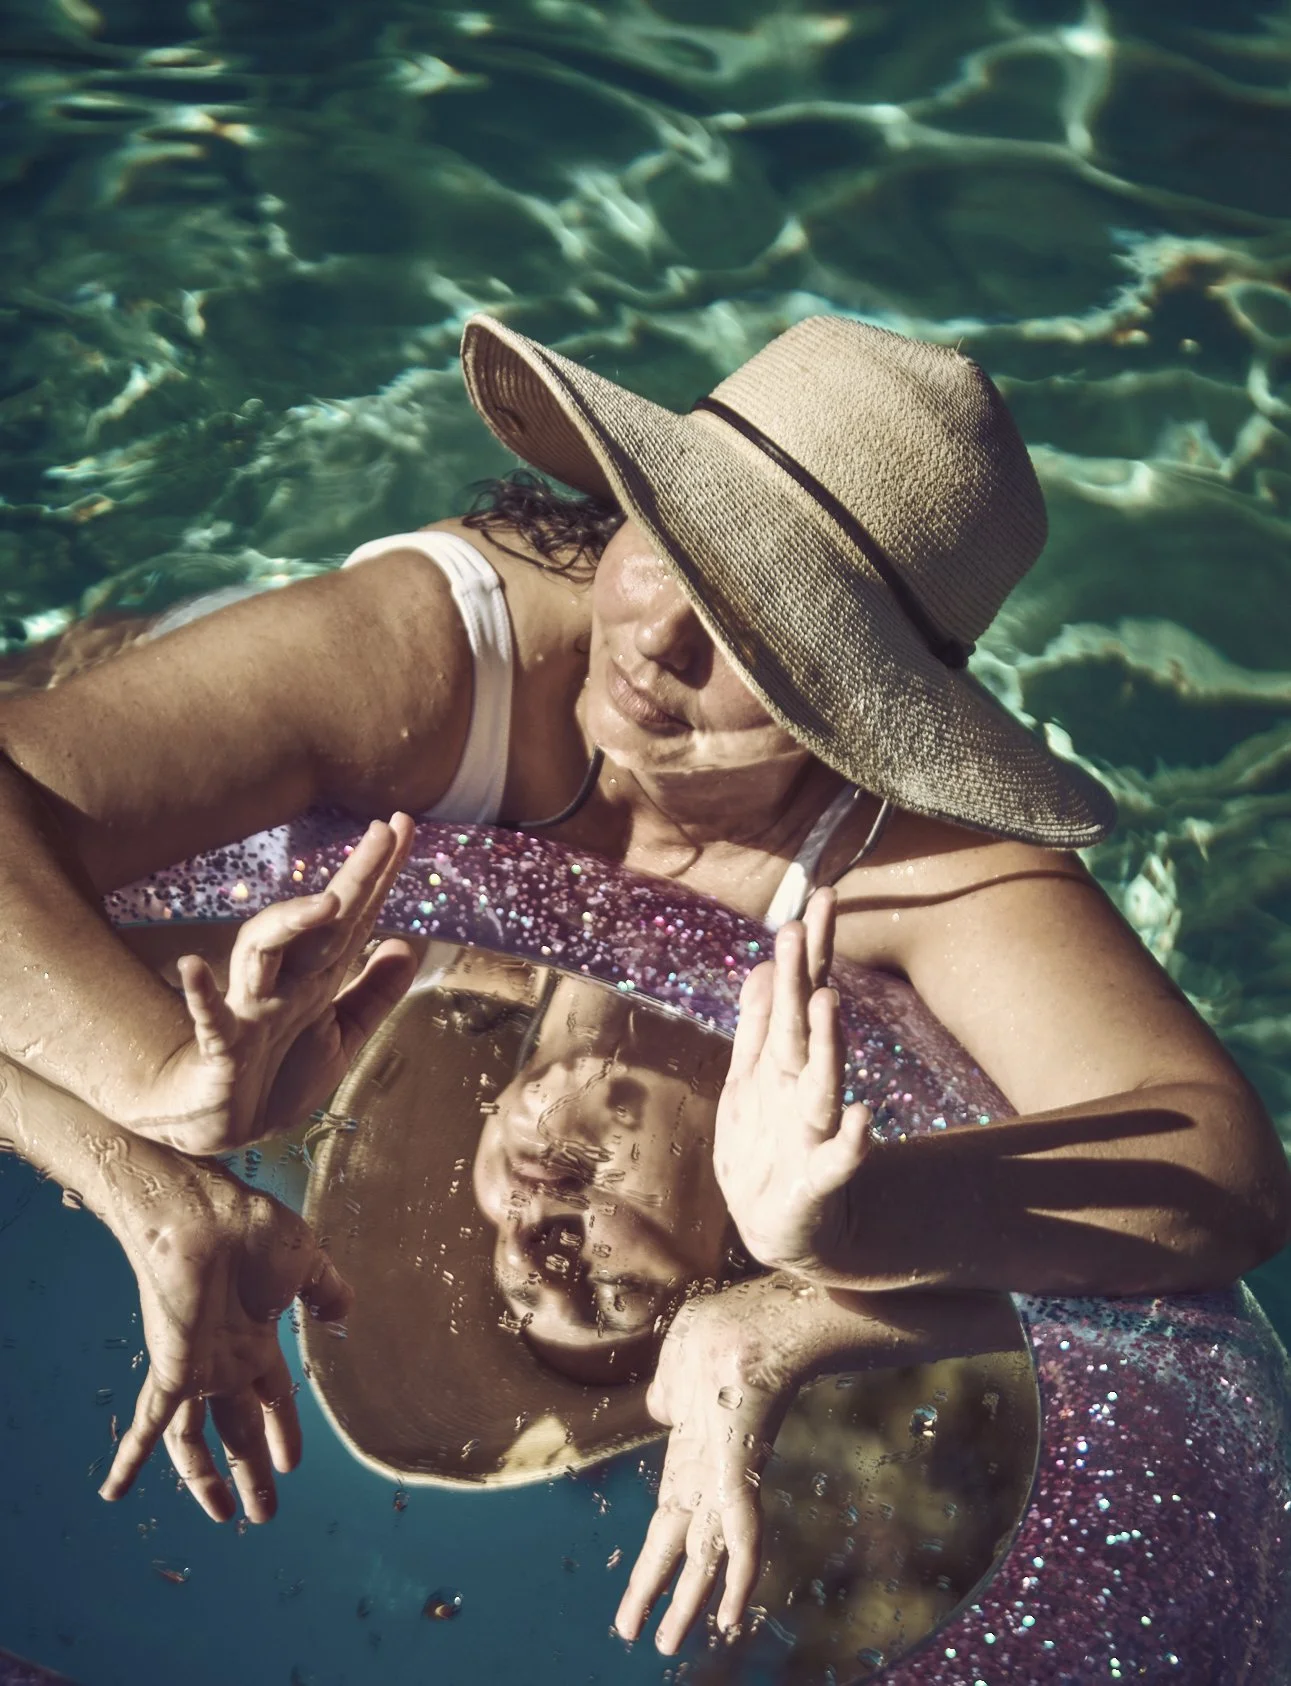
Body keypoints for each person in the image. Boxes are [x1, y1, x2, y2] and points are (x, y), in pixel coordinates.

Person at [1, 314, 1288, 1646]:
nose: (658, 632)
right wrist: (841, 1245)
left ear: (866, 708)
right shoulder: (459, 662)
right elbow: (1230, 1160)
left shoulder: (338, 984)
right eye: (668, 535)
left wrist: (143, 1161)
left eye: (753, 624)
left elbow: (1225, 1174)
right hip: (130, 678)